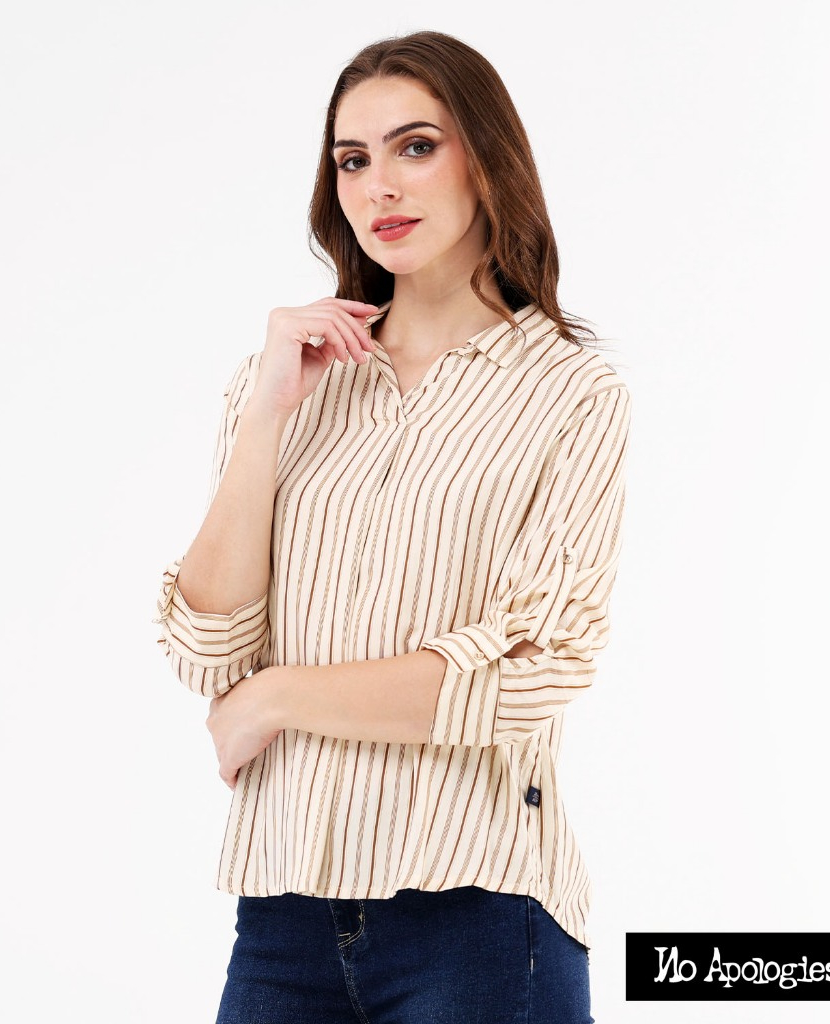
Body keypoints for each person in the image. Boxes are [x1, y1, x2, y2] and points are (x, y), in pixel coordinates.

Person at [153, 29, 630, 1024]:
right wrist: (265, 416)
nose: (380, 187)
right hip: (281, 917)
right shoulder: (281, 384)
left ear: (487, 159)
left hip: (478, 915)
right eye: (352, 160)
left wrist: (279, 695)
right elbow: (207, 649)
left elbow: (533, 667)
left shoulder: (570, 392)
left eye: (416, 146)